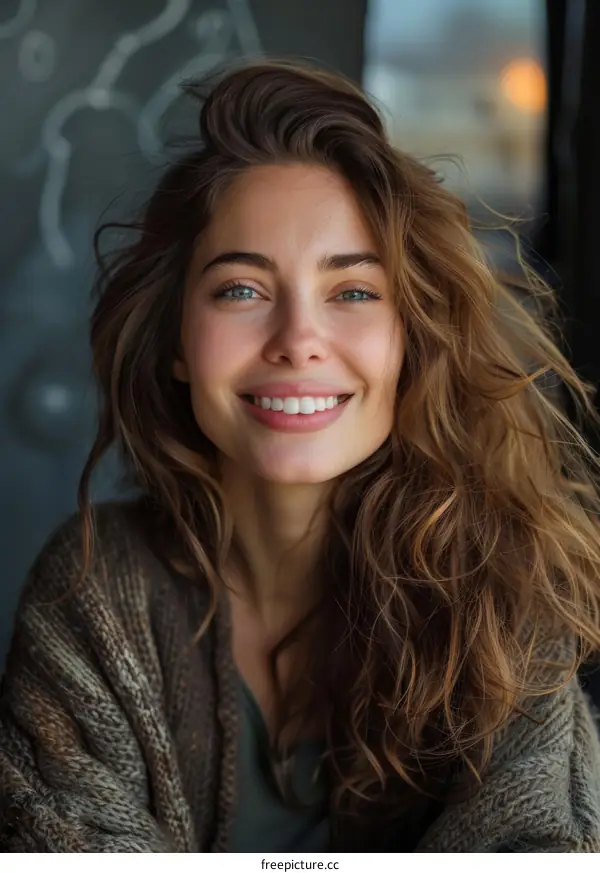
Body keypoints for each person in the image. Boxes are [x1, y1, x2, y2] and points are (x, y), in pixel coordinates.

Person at [1, 58, 600, 854]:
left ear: (412, 340)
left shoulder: (507, 594)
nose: (297, 341)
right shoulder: (92, 587)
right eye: (241, 290)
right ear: (177, 339)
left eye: (353, 292)